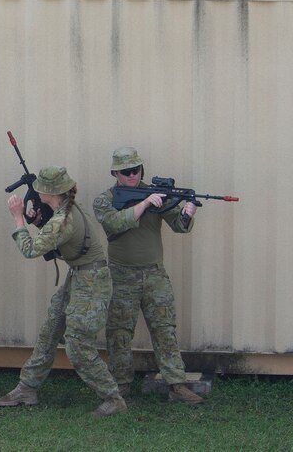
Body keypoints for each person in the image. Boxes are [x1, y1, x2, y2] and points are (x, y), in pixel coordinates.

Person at [0, 166, 126, 417]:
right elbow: (59, 241)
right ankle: (27, 388)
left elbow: (31, 250)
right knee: (51, 329)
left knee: (77, 345)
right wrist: (36, 221)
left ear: (48, 192)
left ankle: (113, 398)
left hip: (91, 282)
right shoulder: (67, 209)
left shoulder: (62, 219)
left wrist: (18, 218)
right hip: (80, 275)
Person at [93, 146, 204, 404]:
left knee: (165, 329)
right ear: (115, 173)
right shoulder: (106, 199)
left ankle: (177, 384)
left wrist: (187, 213)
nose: (132, 175)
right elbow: (113, 223)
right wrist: (145, 203)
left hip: (154, 274)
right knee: (119, 332)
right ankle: (121, 386)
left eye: (136, 170)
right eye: (126, 171)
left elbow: (179, 226)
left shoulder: (155, 194)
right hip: (121, 276)